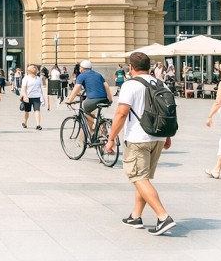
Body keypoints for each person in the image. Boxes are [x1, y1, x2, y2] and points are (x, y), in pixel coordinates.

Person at [104, 51, 177, 236]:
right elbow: (168, 112)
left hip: (139, 137)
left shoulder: (131, 85)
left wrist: (111, 138)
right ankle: (136, 216)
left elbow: (121, 113)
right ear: (149, 66)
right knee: (143, 178)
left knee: (138, 177)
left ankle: (163, 216)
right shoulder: (161, 84)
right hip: (158, 137)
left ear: (131, 67)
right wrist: (167, 136)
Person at [65, 59, 111, 135]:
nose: (79, 69)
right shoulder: (98, 74)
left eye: (80, 67)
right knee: (94, 112)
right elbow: (106, 86)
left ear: (83, 68)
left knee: (85, 109)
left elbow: (77, 88)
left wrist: (70, 100)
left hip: (93, 99)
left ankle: (92, 131)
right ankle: (101, 124)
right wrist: (110, 99)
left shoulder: (81, 76)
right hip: (104, 98)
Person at [20, 63, 45, 130]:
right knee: (29, 111)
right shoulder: (27, 78)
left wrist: (24, 96)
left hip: (34, 97)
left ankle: (37, 124)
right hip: (29, 97)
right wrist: (25, 96)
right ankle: (26, 122)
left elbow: (23, 88)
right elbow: (23, 88)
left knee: (35, 111)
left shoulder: (38, 79)